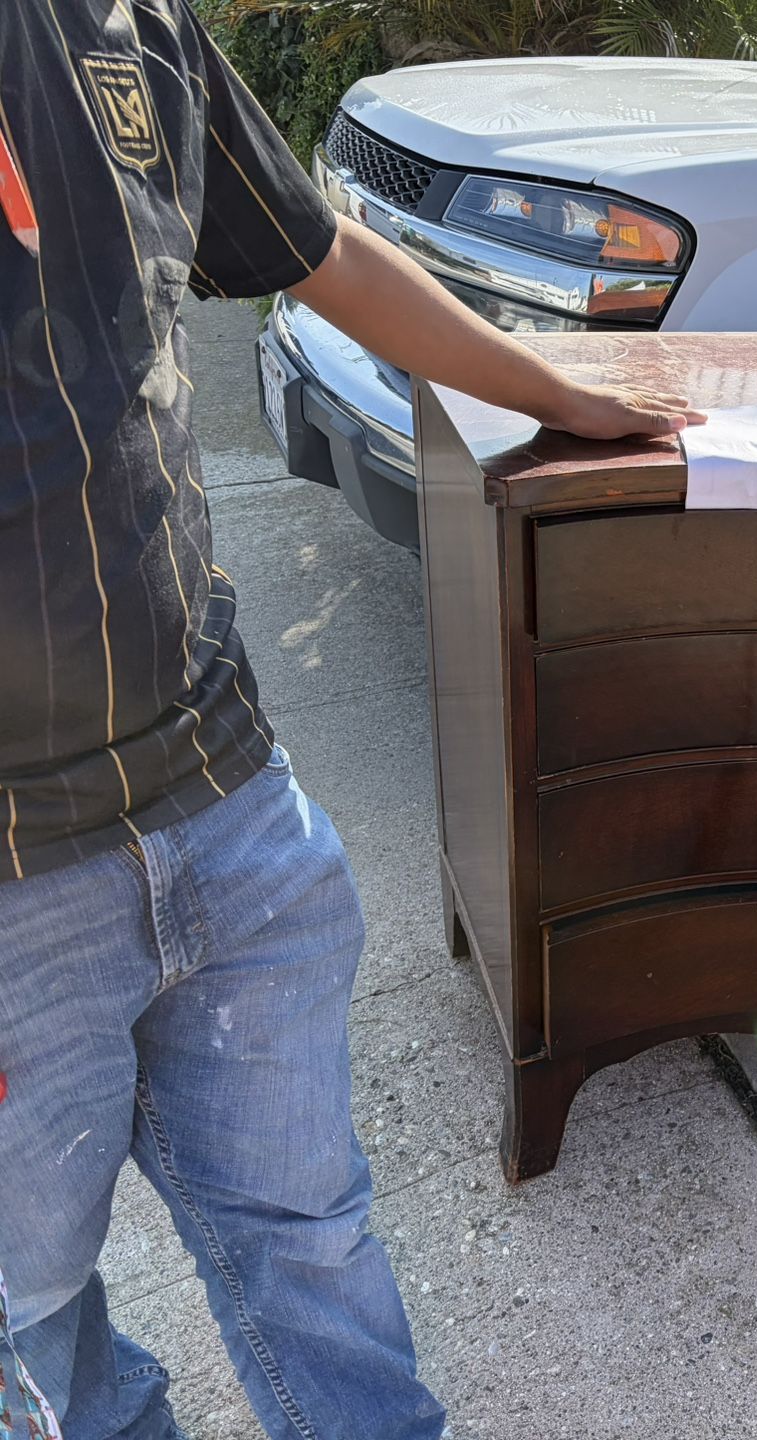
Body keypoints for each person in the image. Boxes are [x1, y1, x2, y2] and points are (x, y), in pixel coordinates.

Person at [0, 1, 703, 1435]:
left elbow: (313, 249)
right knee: (29, 1325)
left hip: (225, 795)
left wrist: (555, 395)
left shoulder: (130, 25)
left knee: (310, 1239)